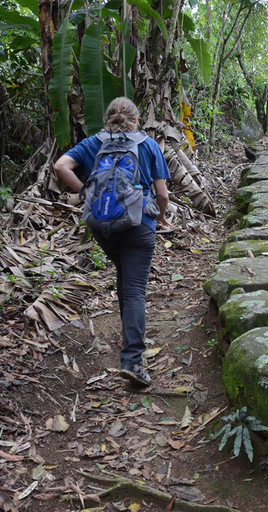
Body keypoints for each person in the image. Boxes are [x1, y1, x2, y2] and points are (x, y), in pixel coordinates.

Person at [54, 97, 172, 386]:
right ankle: (133, 359)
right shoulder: (148, 144)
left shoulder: (95, 142)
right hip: (138, 225)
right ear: (136, 118)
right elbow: (163, 194)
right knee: (134, 289)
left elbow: (61, 166)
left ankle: (130, 346)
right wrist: (161, 218)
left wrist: (86, 192)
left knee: (124, 279)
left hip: (104, 224)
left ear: (107, 118)